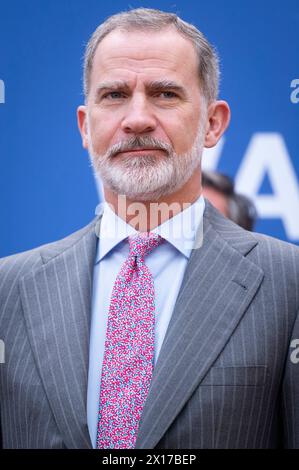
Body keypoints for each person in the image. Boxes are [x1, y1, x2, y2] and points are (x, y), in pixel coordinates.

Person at [0, 8, 299, 450]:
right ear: (86, 126)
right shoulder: (9, 289)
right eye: (115, 95)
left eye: (164, 94)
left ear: (213, 123)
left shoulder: (289, 283)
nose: (137, 118)